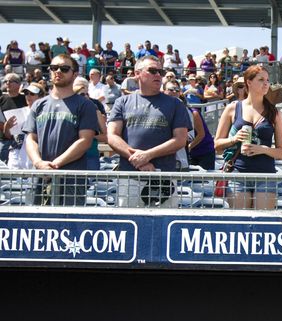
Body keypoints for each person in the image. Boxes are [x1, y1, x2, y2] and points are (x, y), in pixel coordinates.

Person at [107, 56, 191, 207]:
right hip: (130, 177)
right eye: (152, 71)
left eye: (160, 71)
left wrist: (147, 155)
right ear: (137, 73)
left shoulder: (175, 104)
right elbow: (112, 136)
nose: (158, 75)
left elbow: (180, 140)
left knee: (164, 227)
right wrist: (138, 160)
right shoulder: (122, 102)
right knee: (129, 225)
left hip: (164, 178)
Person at [23, 54, 98, 205]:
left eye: (64, 68)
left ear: (75, 74)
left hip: (71, 179)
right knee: (36, 224)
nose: (58, 71)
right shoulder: (39, 105)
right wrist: (38, 163)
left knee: (69, 224)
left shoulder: (85, 105)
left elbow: (85, 141)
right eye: (53, 68)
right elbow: (30, 139)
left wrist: (54, 165)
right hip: (40, 176)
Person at [214, 65, 282, 210]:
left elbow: (281, 152)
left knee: (264, 223)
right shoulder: (233, 108)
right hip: (238, 174)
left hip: (266, 175)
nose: (266, 83)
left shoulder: (275, 113)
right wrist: (234, 139)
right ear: (249, 82)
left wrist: (262, 149)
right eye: (261, 80)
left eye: (267, 80)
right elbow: (217, 144)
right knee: (239, 223)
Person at [1, 73, 26, 162]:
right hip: (4, 139)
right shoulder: (1, 99)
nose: (8, 83)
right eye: (6, 81)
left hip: (22, 140)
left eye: (11, 81)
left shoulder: (25, 98)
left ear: (19, 84)